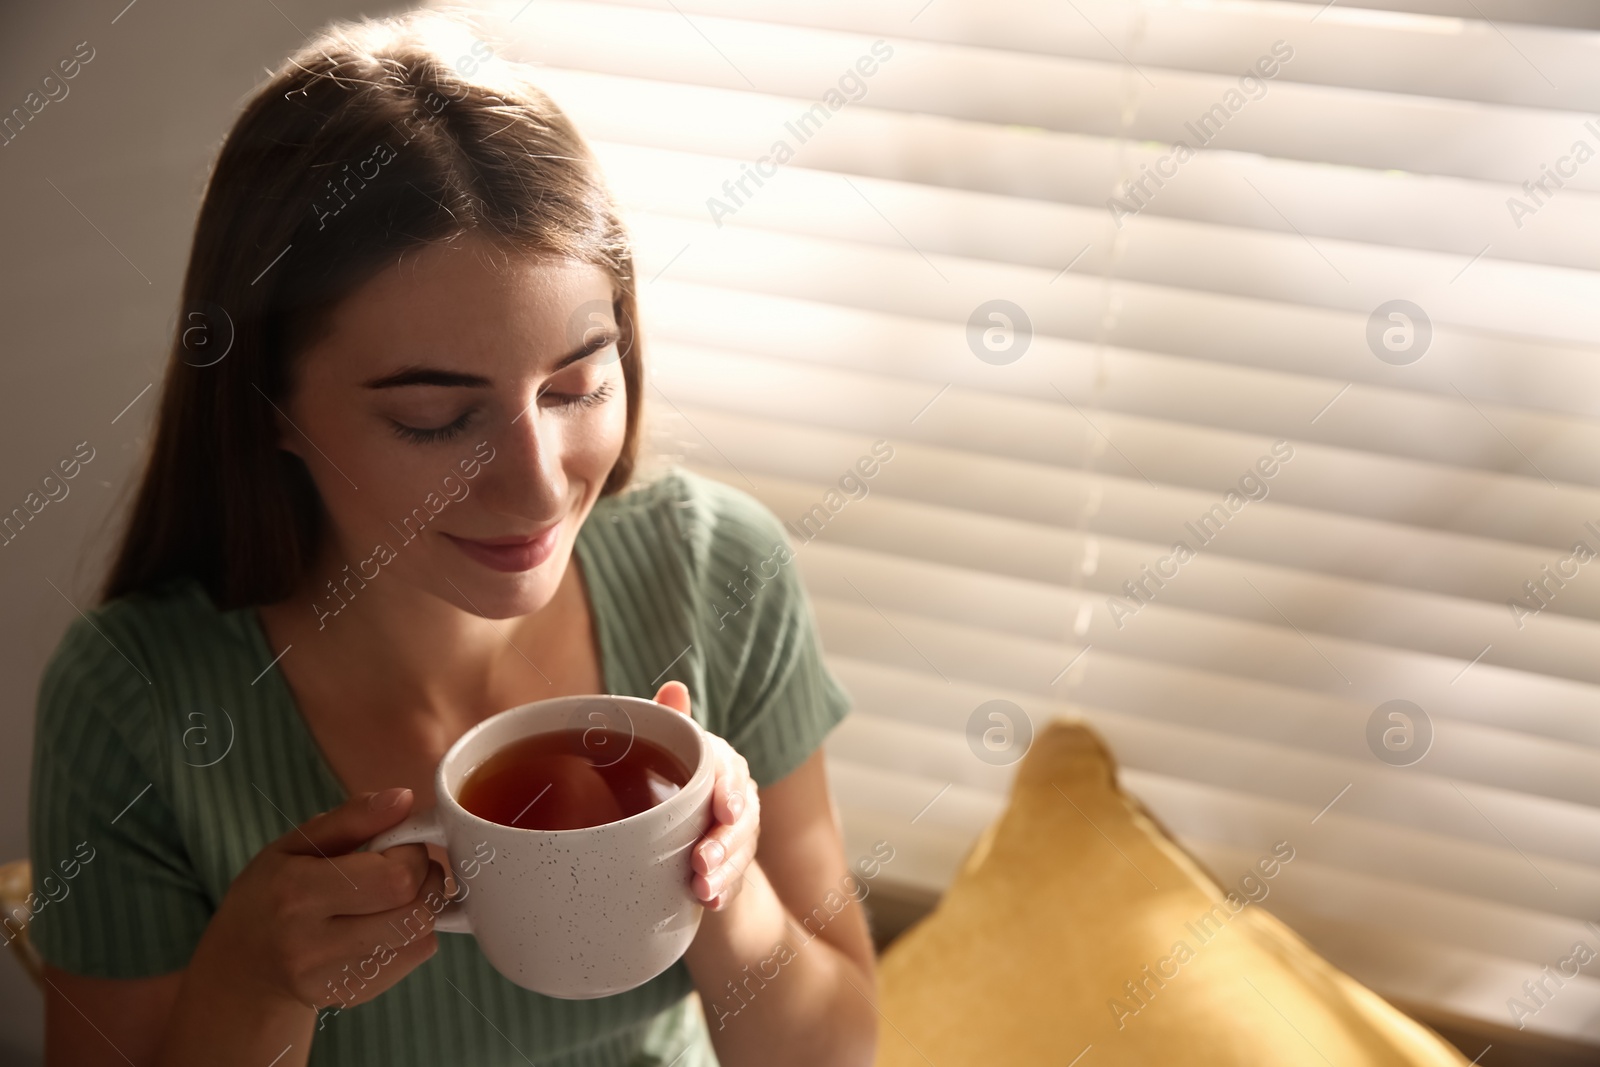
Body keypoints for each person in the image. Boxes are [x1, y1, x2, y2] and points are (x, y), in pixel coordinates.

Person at [27, 10, 877, 1066]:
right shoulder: (137, 700)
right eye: (436, 418)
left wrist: (722, 877)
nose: (535, 485)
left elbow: (835, 1052)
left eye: (576, 383)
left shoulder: (719, 573)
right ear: (267, 410)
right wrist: (253, 984)